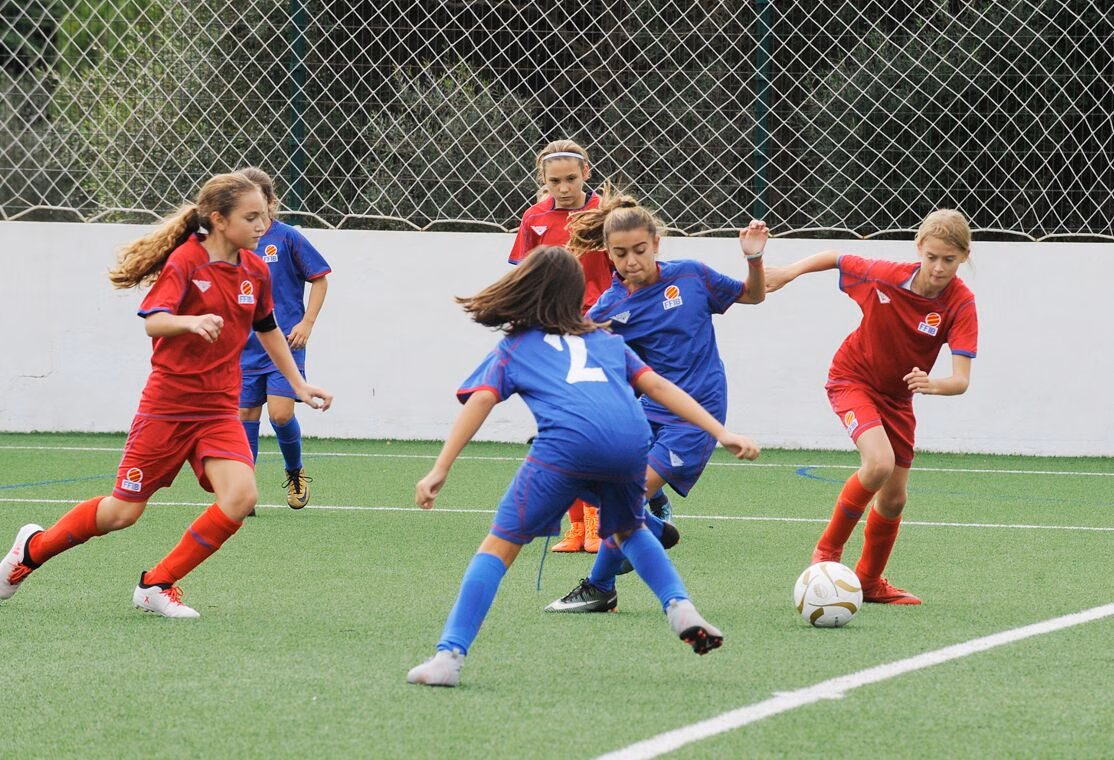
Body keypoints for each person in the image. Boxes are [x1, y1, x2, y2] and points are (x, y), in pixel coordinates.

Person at [406, 246, 760, 687]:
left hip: (568, 448)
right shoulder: (606, 340)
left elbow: (481, 399)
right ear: (578, 296)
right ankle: (680, 607)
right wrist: (721, 432)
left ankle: (448, 658)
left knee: (497, 548)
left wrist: (440, 468)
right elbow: (658, 385)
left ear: (525, 289)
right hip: (632, 444)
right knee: (627, 529)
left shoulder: (515, 346)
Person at [0, 172, 333, 618]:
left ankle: (158, 583)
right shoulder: (186, 262)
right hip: (168, 409)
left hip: (217, 411)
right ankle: (30, 551)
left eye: (265, 215)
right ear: (218, 220)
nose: (262, 225)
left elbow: (267, 327)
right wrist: (189, 323)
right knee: (121, 514)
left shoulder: (255, 268)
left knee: (240, 496)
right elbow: (154, 320)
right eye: (251, 217)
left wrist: (298, 384)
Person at [544, 193, 768, 613]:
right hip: (645, 414)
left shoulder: (692, 276)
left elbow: (753, 296)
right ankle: (652, 526)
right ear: (608, 254)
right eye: (620, 253)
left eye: (640, 251)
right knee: (590, 483)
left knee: (624, 497)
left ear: (657, 243)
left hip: (696, 415)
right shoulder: (610, 307)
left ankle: (601, 586)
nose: (631, 261)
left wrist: (754, 260)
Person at [763, 208, 978, 604]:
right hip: (852, 379)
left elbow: (961, 381)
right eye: (931, 257)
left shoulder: (961, 303)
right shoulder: (884, 275)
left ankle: (869, 581)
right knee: (877, 464)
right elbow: (836, 258)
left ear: (964, 256)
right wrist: (788, 272)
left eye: (949, 260)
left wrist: (934, 384)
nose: (938, 267)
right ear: (919, 249)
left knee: (895, 498)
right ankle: (827, 551)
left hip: (898, 399)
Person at [509, 139, 611, 553]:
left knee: (593, 427)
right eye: (555, 181)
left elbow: (620, 270)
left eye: (571, 178)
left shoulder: (606, 215)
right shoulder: (534, 218)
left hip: (596, 329)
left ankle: (599, 519)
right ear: (543, 181)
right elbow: (525, 275)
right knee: (558, 427)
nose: (564, 187)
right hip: (551, 332)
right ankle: (576, 526)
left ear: (587, 173)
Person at [236, 167, 331, 511]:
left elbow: (320, 278)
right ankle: (244, 492)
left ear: (271, 203)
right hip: (244, 349)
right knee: (246, 414)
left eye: (260, 206)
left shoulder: (288, 237)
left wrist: (307, 322)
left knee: (279, 414)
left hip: (285, 346)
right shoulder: (235, 242)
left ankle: (294, 471)